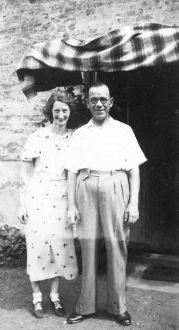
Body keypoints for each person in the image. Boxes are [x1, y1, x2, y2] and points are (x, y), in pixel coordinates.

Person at [65, 82, 147, 326]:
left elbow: (134, 170)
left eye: (103, 99)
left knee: (117, 245)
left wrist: (134, 202)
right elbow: (71, 171)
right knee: (88, 245)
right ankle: (86, 306)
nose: (98, 104)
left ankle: (118, 307)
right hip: (86, 183)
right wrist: (71, 205)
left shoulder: (124, 131)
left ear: (111, 102)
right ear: (87, 103)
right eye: (94, 100)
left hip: (116, 184)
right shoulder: (80, 134)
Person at [18, 91, 78, 319]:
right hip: (38, 196)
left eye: (64, 111)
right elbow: (24, 175)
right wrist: (21, 205)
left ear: (70, 113)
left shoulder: (73, 138)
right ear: (50, 112)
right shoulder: (37, 136)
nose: (60, 115)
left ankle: (54, 296)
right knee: (37, 246)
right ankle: (37, 299)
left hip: (62, 196)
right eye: (56, 111)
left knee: (59, 248)